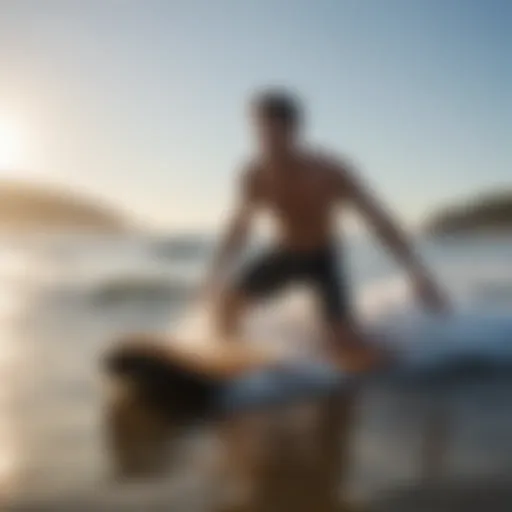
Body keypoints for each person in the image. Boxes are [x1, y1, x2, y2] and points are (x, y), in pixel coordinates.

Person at [203, 88, 448, 372]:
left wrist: (416, 270)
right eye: (258, 130)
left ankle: (401, 352)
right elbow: (239, 228)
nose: (264, 140)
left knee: (343, 346)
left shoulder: (330, 171)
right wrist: (215, 274)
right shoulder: (254, 175)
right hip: (284, 255)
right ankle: (228, 368)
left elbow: (378, 220)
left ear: (293, 129)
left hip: (323, 259)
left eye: (272, 130)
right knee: (225, 307)